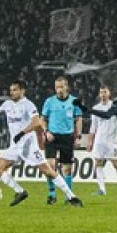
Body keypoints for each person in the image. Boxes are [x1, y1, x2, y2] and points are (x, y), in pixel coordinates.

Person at [0, 81, 82, 208]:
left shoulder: (28, 105)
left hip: (28, 145)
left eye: (15, 90)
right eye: (11, 90)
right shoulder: (7, 104)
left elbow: (36, 122)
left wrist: (22, 133)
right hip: (15, 146)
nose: (12, 92)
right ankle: (20, 192)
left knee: (48, 171)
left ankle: (72, 196)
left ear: (22, 91)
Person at [40, 76, 82, 204]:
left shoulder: (74, 101)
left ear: (66, 87)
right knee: (50, 165)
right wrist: (46, 132)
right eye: (56, 87)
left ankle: (68, 196)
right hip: (52, 136)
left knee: (67, 168)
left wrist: (78, 135)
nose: (59, 90)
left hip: (67, 137)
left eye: (61, 87)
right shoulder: (49, 101)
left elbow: (78, 118)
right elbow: (42, 119)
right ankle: (51, 194)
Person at [87, 85, 117, 195]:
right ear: (99, 94)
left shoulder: (115, 107)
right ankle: (102, 189)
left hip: (111, 141)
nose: (103, 94)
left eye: (105, 92)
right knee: (98, 163)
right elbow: (93, 127)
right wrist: (90, 141)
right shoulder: (96, 108)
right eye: (101, 92)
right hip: (99, 141)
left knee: (116, 164)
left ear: (109, 93)